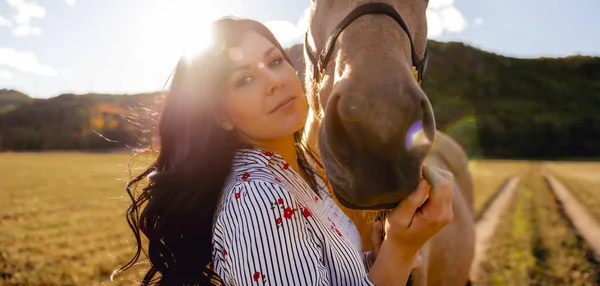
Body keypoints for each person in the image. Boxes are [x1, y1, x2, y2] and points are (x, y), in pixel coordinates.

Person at [114, 17, 454, 286]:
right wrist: (401, 249)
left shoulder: (300, 173)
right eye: (244, 80)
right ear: (220, 115)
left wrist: (380, 256)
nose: (274, 81)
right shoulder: (259, 197)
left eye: (274, 61)